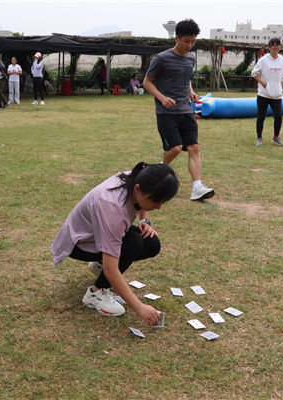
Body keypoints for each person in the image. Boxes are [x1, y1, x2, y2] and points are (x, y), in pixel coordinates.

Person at [51, 162, 179, 324]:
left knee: (151, 243)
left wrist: (144, 220)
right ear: (138, 189)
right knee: (134, 243)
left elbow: (143, 203)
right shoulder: (112, 209)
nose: (159, 207)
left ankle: (99, 264)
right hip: (80, 243)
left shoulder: (137, 178)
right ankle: (96, 293)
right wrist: (139, 307)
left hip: (98, 234)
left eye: (162, 201)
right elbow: (111, 270)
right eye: (155, 201)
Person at [143, 19, 215, 201]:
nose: (189, 45)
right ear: (176, 38)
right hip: (166, 113)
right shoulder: (161, 59)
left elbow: (186, 78)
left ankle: (197, 188)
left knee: (194, 147)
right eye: (186, 41)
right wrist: (162, 98)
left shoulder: (190, 58)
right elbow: (147, 82)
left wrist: (191, 92)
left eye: (193, 41)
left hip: (186, 110)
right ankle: (153, 174)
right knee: (175, 148)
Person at [251, 38, 283, 146]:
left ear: (280, 47)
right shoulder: (263, 60)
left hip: (276, 94)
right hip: (264, 93)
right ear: (269, 47)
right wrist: (263, 83)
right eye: (273, 45)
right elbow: (254, 73)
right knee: (261, 116)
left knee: (278, 116)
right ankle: (259, 138)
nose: (275, 47)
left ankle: (276, 137)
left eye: (277, 45)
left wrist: (281, 84)